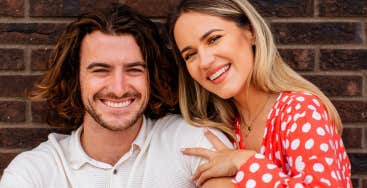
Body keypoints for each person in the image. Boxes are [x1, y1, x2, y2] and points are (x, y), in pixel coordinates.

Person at [0, 4, 234, 188]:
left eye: (134, 69)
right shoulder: (33, 172)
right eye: (101, 70)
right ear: (75, 78)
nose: (119, 88)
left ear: (151, 77)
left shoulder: (192, 141)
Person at [167, 0, 352, 187]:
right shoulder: (226, 127)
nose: (204, 61)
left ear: (251, 32)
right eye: (190, 55)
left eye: (214, 39)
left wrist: (244, 162)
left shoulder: (300, 110)